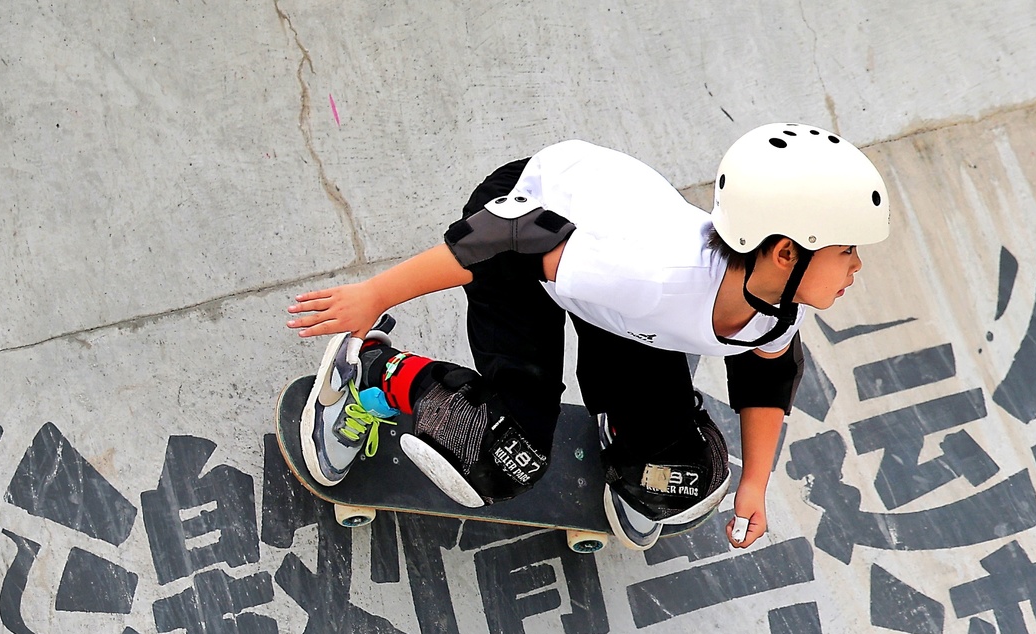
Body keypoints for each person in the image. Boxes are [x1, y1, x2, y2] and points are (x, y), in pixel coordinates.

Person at [285, 122, 889, 550]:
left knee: (682, 476)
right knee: (498, 458)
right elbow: (507, 235)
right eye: (847, 251)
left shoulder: (776, 303)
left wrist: (755, 483)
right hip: (524, 232)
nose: (857, 267)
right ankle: (371, 373)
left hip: (616, 303)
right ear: (785, 253)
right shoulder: (651, 275)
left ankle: (627, 434)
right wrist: (376, 295)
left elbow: (767, 371)